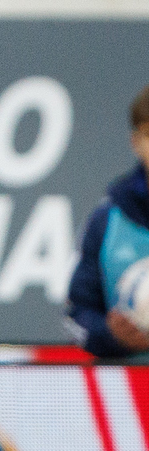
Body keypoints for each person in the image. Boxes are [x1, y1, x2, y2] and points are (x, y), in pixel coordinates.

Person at [68, 86, 149, 358]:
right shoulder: (107, 220)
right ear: (135, 141)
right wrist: (110, 334)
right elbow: (77, 314)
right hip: (127, 390)